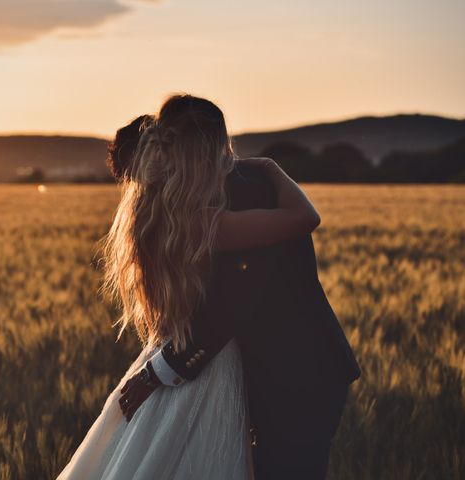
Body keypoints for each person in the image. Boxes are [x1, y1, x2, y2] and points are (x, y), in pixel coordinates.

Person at [54, 94, 324, 479]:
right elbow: (303, 217)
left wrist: (156, 371)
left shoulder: (155, 217)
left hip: (176, 352)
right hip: (205, 360)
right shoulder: (205, 219)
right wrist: (269, 164)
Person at [112, 109, 362, 478]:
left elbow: (231, 301)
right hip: (279, 371)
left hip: (299, 373)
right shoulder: (222, 190)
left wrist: (160, 371)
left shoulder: (239, 192)